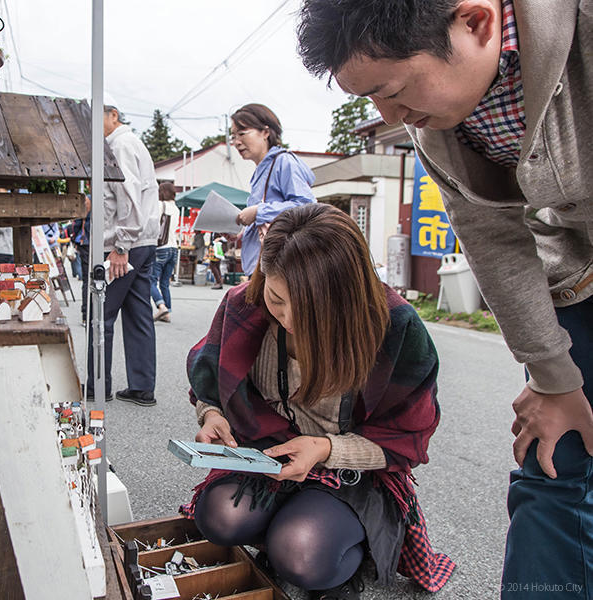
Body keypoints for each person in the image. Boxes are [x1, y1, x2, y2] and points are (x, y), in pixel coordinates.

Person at [297, 2, 593, 596]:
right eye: (370, 100)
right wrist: (554, 378)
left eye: (394, 90)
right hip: (577, 278)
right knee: (553, 462)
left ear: (476, 23)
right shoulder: (435, 121)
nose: (389, 114)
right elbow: (494, 237)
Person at [183, 204, 453, 599]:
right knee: (220, 518)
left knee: (302, 551)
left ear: (347, 297)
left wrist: (326, 448)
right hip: (269, 452)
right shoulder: (244, 304)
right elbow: (208, 371)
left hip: (348, 469)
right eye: (277, 298)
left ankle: (344, 555)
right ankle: (290, 529)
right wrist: (211, 414)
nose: (288, 319)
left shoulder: (395, 326)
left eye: (310, 310)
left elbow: (409, 433)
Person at [86, 101, 159, 407]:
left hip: (125, 242)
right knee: (138, 313)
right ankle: (141, 386)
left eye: (96, 118)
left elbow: (127, 196)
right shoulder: (129, 143)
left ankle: (97, 385)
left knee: (101, 313)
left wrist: (120, 246)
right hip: (142, 240)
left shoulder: (119, 145)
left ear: (113, 115)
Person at [230, 104, 317, 276]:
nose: (236, 142)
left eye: (242, 133)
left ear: (265, 132)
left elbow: (307, 207)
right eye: (233, 136)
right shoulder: (262, 169)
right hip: (263, 268)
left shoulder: (284, 162)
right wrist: (241, 234)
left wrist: (258, 211)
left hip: (279, 269)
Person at [151, 181, 180, 323]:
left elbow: (154, 224)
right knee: (164, 283)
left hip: (161, 248)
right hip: (174, 248)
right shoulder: (176, 208)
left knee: (150, 280)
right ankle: (167, 313)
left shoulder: (160, 205)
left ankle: (161, 306)